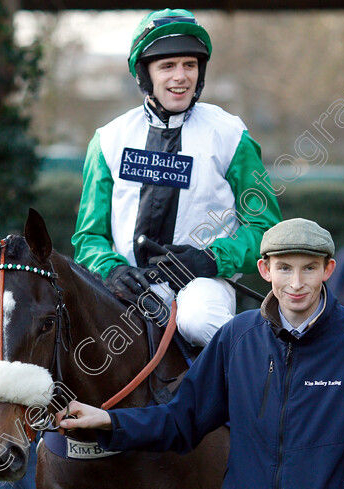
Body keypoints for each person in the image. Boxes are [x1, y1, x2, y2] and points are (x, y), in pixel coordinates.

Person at [58, 218, 344, 489]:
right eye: (284, 268)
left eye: (309, 269)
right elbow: (182, 419)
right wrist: (108, 420)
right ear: (264, 269)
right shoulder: (237, 337)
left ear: (328, 270)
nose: (296, 283)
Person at [71, 8, 281, 347]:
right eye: (167, 66)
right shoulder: (108, 140)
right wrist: (113, 270)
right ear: (145, 73)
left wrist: (210, 257)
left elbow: (266, 230)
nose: (180, 76)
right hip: (128, 285)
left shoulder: (230, 135)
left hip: (204, 284)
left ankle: (250, 391)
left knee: (199, 320)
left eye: (189, 65)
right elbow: (88, 237)